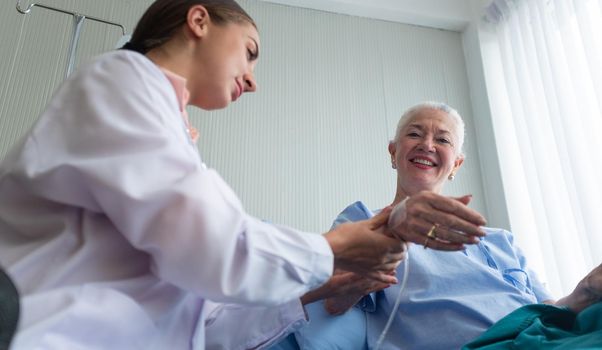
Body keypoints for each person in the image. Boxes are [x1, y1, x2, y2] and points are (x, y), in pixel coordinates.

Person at [0, 1, 411, 348]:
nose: (252, 81)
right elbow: (212, 247)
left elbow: (208, 326)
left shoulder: (170, 140)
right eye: (250, 51)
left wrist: (324, 285)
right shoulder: (121, 79)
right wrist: (331, 248)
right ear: (199, 21)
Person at [203, 102, 602, 349]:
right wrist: (393, 239)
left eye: (442, 140)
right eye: (415, 134)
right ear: (394, 154)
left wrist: (583, 291)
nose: (427, 144)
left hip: (542, 333)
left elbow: (548, 309)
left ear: (456, 163)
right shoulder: (361, 221)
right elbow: (333, 302)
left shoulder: (499, 240)